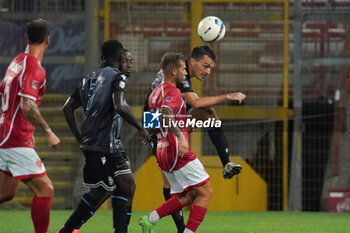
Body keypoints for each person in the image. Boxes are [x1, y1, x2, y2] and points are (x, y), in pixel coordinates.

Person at [144, 45, 246, 232]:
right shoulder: (177, 79)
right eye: (205, 66)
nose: (208, 72)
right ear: (191, 62)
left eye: (210, 68)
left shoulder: (174, 76)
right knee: (191, 190)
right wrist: (229, 96)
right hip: (162, 130)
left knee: (209, 114)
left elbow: (153, 102)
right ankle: (179, 227)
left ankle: (227, 164)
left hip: (162, 126)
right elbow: (193, 103)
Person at [58, 40, 151, 233]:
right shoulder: (117, 77)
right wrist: (140, 127)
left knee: (125, 183)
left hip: (103, 143)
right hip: (103, 144)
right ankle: (68, 230)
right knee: (103, 190)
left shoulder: (88, 78)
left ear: (102, 57)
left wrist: (79, 137)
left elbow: (67, 108)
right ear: (119, 58)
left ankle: (116, 230)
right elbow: (120, 105)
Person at [140, 52, 212, 233]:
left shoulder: (154, 93)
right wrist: (180, 136)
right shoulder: (173, 91)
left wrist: (184, 125)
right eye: (182, 69)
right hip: (176, 150)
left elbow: (153, 123)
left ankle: (151, 219)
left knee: (187, 195)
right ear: (173, 71)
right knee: (205, 191)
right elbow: (166, 114)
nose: (186, 73)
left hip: (162, 151)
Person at [0, 18, 60, 233]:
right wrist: (48, 131)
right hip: (16, 137)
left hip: (6, 134)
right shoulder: (34, 69)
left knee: (5, 194)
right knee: (45, 190)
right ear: (48, 40)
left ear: (26, 38)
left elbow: (5, 91)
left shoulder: (16, 61)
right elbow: (27, 106)